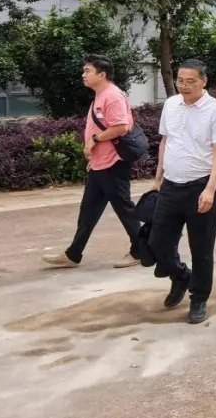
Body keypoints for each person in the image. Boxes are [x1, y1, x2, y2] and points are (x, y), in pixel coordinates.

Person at [149, 60, 216, 325]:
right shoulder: (171, 104)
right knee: (157, 242)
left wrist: (210, 189)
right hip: (170, 186)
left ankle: (199, 298)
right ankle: (181, 276)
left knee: (201, 248)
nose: (183, 86)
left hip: (200, 187)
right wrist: (158, 177)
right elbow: (165, 141)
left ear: (203, 81)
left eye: (190, 81)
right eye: (180, 81)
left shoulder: (215, 110)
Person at [42, 55, 142, 269]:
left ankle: (141, 250)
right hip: (100, 164)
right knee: (89, 210)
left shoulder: (112, 96)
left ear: (102, 74)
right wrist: (93, 156)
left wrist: (94, 140)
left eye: (87, 71)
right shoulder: (101, 95)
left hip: (113, 163)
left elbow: (122, 127)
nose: (83, 75)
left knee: (124, 208)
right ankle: (73, 254)